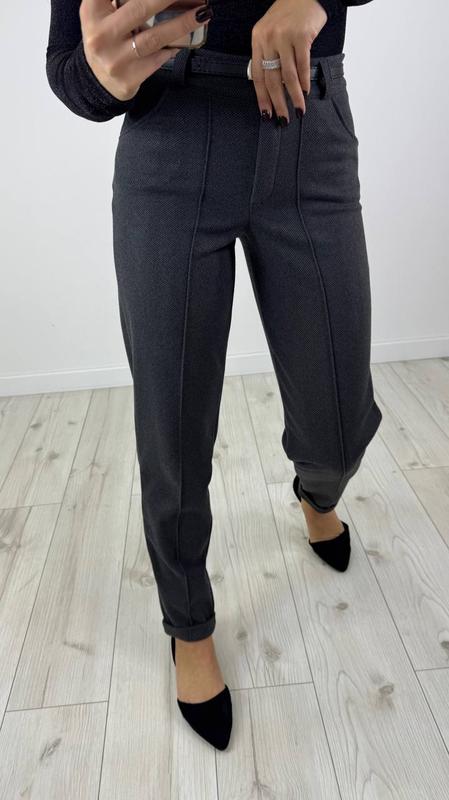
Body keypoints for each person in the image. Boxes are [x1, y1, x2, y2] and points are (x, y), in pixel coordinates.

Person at [46, 0, 380, 752]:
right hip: (171, 132)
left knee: (336, 429)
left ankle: (317, 490)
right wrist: (101, 79)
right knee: (172, 423)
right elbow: (70, 64)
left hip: (308, 123)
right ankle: (188, 623)